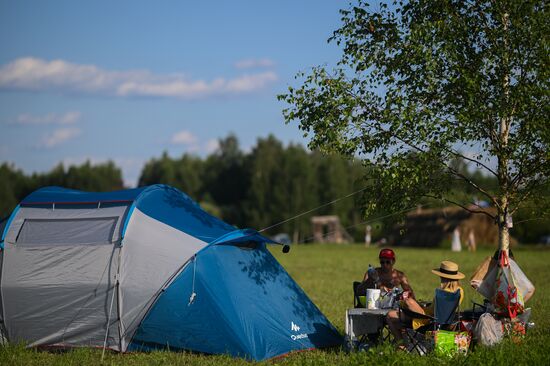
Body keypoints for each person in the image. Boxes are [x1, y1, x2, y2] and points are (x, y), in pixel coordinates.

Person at [386, 260, 465, 342]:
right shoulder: (459, 291)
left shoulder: (443, 293)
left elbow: (436, 313)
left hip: (427, 321)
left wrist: (408, 303)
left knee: (392, 314)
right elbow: (442, 310)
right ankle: (405, 342)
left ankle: (401, 344)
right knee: (405, 309)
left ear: (443, 276)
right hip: (441, 322)